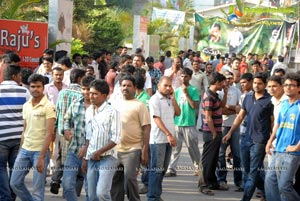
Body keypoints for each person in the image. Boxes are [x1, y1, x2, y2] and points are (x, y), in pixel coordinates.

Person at [223, 73, 273, 201]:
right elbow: (240, 116)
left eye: (260, 83)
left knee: (252, 172)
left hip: (260, 141)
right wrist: (230, 133)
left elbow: (273, 122)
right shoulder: (248, 98)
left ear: (265, 84)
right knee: (247, 170)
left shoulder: (269, 101)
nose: (256, 85)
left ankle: (245, 198)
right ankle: (267, 192)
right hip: (246, 138)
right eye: (255, 83)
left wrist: (271, 140)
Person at [10, 74, 56, 201]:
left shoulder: (49, 106)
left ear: (43, 88)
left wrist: (41, 157)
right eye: (32, 86)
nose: (35, 89)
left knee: (37, 190)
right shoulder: (26, 105)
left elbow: (49, 134)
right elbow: (25, 130)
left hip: (40, 152)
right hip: (25, 150)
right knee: (14, 183)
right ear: (29, 87)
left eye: (38, 87)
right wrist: (20, 150)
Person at [111, 75, 150, 201]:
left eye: (129, 85)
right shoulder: (115, 104)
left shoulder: (140, 105)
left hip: (133, 149)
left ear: (134, 88)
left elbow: (146, 128)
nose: (125, 88)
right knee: (115, 181)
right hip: (116, 149)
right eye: (123, 85)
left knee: (129, 179)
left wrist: (144, 150)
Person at [50, 68, 86, 195]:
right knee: (77, 163)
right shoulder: (82, 95)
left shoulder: (62, 92)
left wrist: (55, 129)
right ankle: (71, 192)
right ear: (79, 79)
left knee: (62, 157)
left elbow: (58, 111)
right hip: (76, 133)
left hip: (62, 131)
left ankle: (56, 180)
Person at [265, 72, 300, 201]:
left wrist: (296, 147)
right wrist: (270, 141)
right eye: (286, 85)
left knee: (285, 187)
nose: (288, 87)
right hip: (277, 150)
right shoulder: (284, 104)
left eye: (292, 85)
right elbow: (277, 125)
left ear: (299, 88)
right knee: (270, 182)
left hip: (291, 153)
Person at [85, 79, 121, 201]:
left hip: (108, 158)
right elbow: (88, 136)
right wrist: (86, 158)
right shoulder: (89, 111)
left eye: (95, 94)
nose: (91, 96)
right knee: (92, 195)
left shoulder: (113, 112)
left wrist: (99, 152)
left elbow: (116, 138)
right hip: (91, 158)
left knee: (102, 193)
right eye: (90, 93)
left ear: (104, 96)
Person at [62, 76, 95, 201]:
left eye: (88, 89)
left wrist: (87, 148)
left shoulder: (101, 107)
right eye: (83, 89)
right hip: (74, 151)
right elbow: (66, 119)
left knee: (90, 190)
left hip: (92, 154)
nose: (86, 92)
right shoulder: (75, 103)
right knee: (67, 185)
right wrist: (66, 130)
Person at [147, 76, 181, 200]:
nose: (168, 88)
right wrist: (169, 134)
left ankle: (156, 195)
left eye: (170, 86)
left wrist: (173, 99)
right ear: (159, 86)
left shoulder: (169, 99)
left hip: (168, 140)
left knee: (162, 170)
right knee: (156, 170)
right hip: (158, 140)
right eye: (165, 85)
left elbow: (178, 113)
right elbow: (156, 118)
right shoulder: (154, 99)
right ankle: (152, 197)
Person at [0, 64, 31, 201]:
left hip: (1, 137)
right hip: (19, 137)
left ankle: (5, 197)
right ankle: (12, 195)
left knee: (1, 168)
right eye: (19, 76)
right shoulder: (24, 92)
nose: (20, 78)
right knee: (15, 168)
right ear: (14, 76)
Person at [165, 68, 201, 177]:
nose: (183, 78)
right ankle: (171, 169)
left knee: (192, 147)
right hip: (177, 123)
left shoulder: (194, 90)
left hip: (189, 123)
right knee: (175, 148)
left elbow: (194, 106)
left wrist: (186, 93)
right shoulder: (176, 91)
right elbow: (173, 106)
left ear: (190, 77)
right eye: (182, 76)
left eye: (186, 76)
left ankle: (198, 168)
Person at [199, 72, 227, 195]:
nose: (224, 84)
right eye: (222, 83)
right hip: (211, 132)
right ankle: (203, 184)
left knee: (213, 159)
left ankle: (212, 182)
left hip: (216, 131)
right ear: (217, 82)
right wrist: (214, 133)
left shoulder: (215, 95)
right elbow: (208, 117)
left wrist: (225, 93)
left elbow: (222, 106)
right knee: (207, 160)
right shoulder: (209, 97)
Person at [216, 70, 242, 191]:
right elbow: (220, 110)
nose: (228, 80)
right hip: (221, 125)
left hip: (234, 126)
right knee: (221, 154)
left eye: (230, 78)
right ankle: (221, 180)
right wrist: (231, 109)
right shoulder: (218, 92)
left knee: (237, 154)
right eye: (226, 78)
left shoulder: (237, 91)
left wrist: (227, 107)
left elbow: (239, 109)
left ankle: (239, 180)